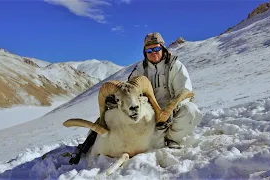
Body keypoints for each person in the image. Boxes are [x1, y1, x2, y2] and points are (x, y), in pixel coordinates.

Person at [68, 32, 203, 164]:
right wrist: (114, 99)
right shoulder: (140, 69)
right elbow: (128, 92)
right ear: (145, 52)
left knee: (190, 110)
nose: (153, 53)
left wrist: (171, 111)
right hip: (148, 114)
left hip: (169, 112)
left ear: (162, 48)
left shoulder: (175, 66)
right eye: (149, 50)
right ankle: (93, 141)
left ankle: (171, 139)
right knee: (112, 115)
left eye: (156, 48)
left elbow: (184, 92)